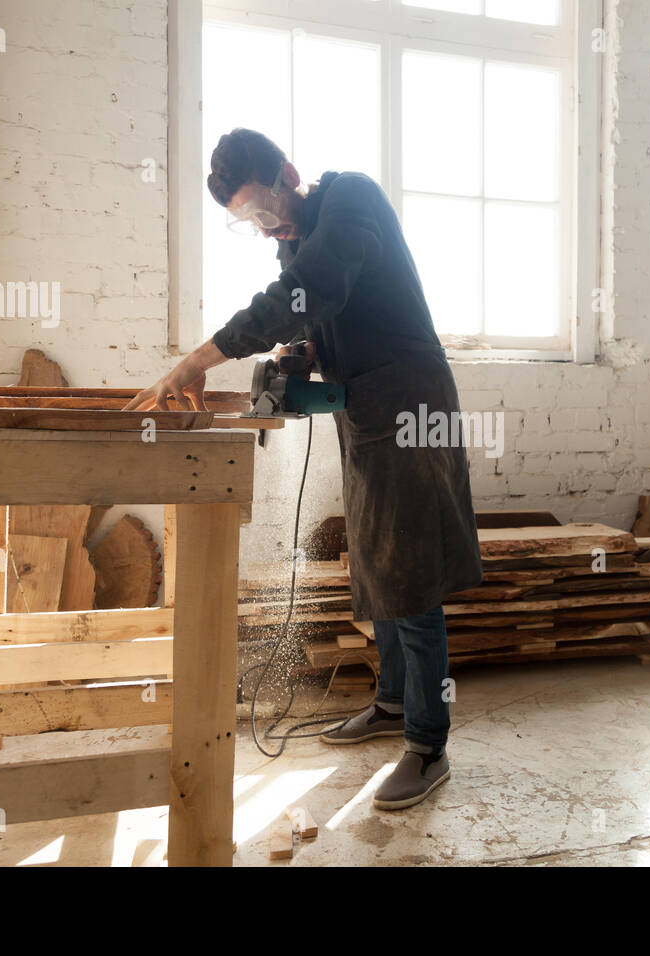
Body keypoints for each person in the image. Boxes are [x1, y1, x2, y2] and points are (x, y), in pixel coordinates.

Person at [127, 128, 482, 810]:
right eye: (249, 223)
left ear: (287, 173)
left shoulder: (352, 199)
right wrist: (300, 356)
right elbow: (317, 314)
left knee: (410, 571)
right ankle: (390, 703)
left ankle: (428, 745)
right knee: (377, 562)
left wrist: (202, 357)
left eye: (264, 210)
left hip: (409, 400)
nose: (265, 229)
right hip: (365, 405)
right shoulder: (296, 240)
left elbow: (311, 289)